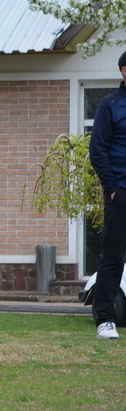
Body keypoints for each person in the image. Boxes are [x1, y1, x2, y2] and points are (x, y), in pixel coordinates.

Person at [88, 49, 126, 340]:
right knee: (113, 256)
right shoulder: (109, 106)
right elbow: (97, 151)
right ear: (124, 71)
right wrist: (112, 189)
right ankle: (106, 319)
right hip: (121, 192)